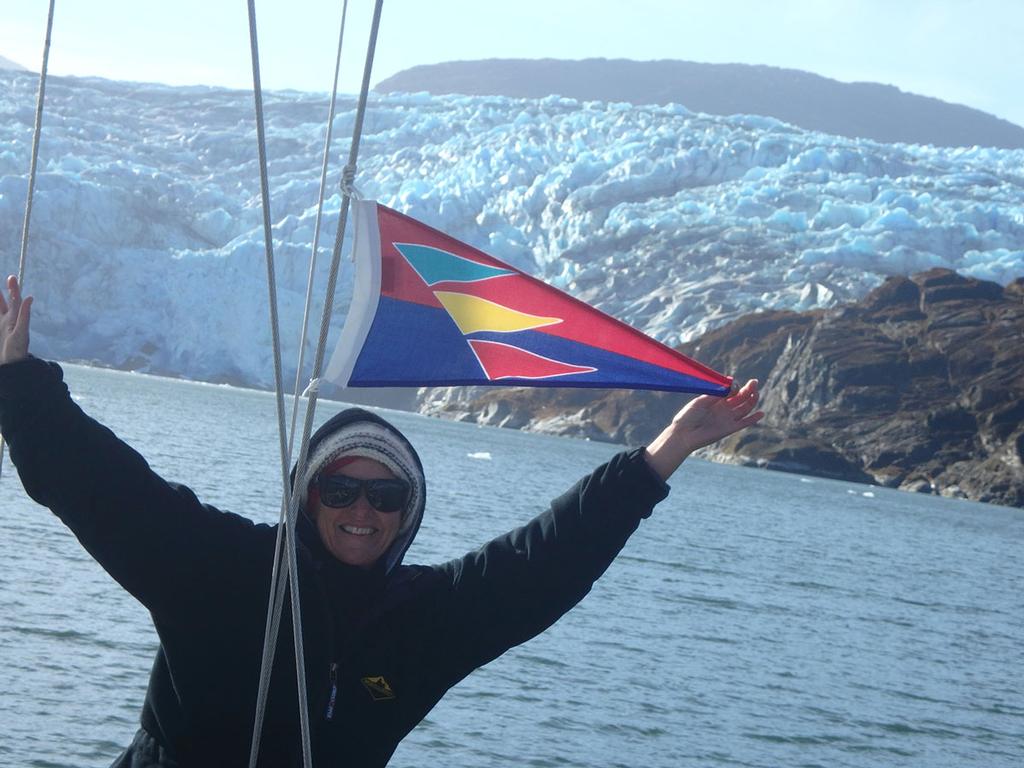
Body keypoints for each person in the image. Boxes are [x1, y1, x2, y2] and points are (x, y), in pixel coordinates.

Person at [0, 275, 763, 767]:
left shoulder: (423, 620)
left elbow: (545, 561)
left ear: (407, 515)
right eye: (339, 489)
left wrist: (665, 452)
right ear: (307, 498)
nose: (361, 511)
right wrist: (18, 382)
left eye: (385, 496)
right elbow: (104, 491)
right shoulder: (225, 570)